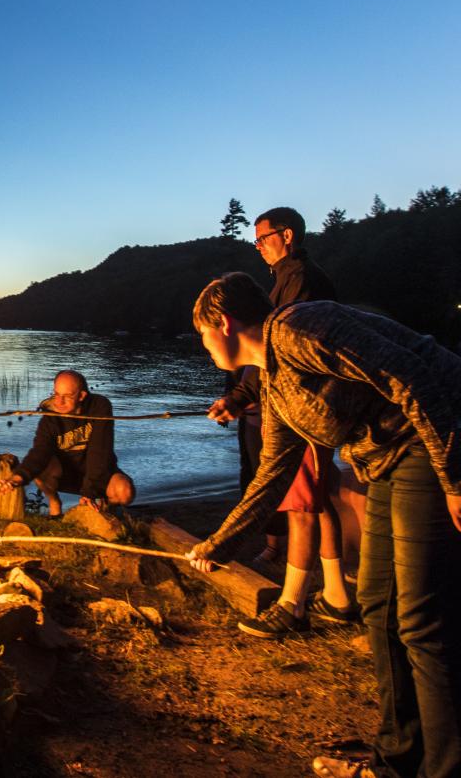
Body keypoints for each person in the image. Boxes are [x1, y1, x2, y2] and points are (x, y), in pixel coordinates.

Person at [187, 272, 461, 778]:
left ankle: (444, 767)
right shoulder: (273, 380)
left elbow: (412, 376)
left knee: (420, 615)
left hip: (431, 444)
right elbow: (272, 474)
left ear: (223, 323)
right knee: (378, 604)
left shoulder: (298, 327)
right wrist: (218, 545)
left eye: (202, 333)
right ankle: (397, 756)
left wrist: (454, 479)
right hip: (385, 461)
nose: (204, 345)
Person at [207, 207, 355, 638]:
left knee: (301, 505)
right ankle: (338, 597)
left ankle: (290, 605)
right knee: (319, 497)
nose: (258, 247)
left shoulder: (301, 282)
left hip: (302, 408)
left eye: (262, 238)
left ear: (286, 235)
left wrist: (240, 395)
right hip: (305, 406)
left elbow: (273, 349)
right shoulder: (287, 281)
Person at [5, 370, 135, 517]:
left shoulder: (99, 406)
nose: (59, 402)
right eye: (56, 394)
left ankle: (106, 508)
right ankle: (54, 504)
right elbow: (40, 452)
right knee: (41, 466)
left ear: (81, 396)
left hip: (98, 471)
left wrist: (90, 492)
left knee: (125, 493)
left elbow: (100, 452)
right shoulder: (50, 417)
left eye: (67, 396)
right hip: (65, 475)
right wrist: (18, 477)